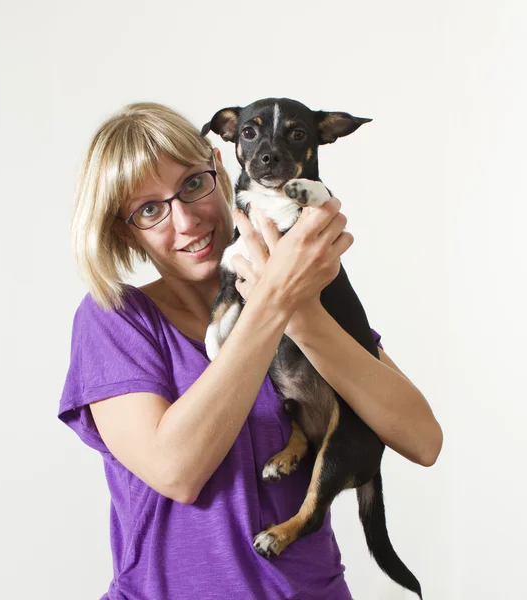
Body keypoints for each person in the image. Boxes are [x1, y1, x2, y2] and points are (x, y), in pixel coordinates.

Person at [58, 102, 443, 600]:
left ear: (222, 168)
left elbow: (422, 439)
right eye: (149, 209)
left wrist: (300, 312)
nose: (186, 220)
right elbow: (176, 472)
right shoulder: (115, 320)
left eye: (193, 184)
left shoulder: (306, 294)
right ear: (123, 231)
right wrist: (272, 301)